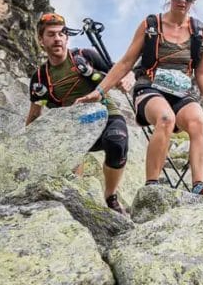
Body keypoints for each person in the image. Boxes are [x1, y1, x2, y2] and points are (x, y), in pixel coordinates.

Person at [76, 0, 203, 196]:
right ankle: (152, 186)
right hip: (149, 87)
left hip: (181, 92)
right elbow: (126, 62)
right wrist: (100, 90)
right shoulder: (150, 25)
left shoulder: (201, 33)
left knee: (198, 121)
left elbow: (201, 74)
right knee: (165, 118)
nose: (183, 1)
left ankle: (199, 186)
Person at [26, 12, 134, 216]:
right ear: (41, 40)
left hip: (106, 114)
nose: (57, 38)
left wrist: (128, 78)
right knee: (71, 157)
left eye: (61, 33)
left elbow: (121, 69)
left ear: (67, 37)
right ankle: (77, 198)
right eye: (51, 34)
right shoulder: (40, 78)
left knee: (117, 141)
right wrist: (29, 142)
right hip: (74, 128)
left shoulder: (86, 56)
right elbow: (34, 114)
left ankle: (111, 197)